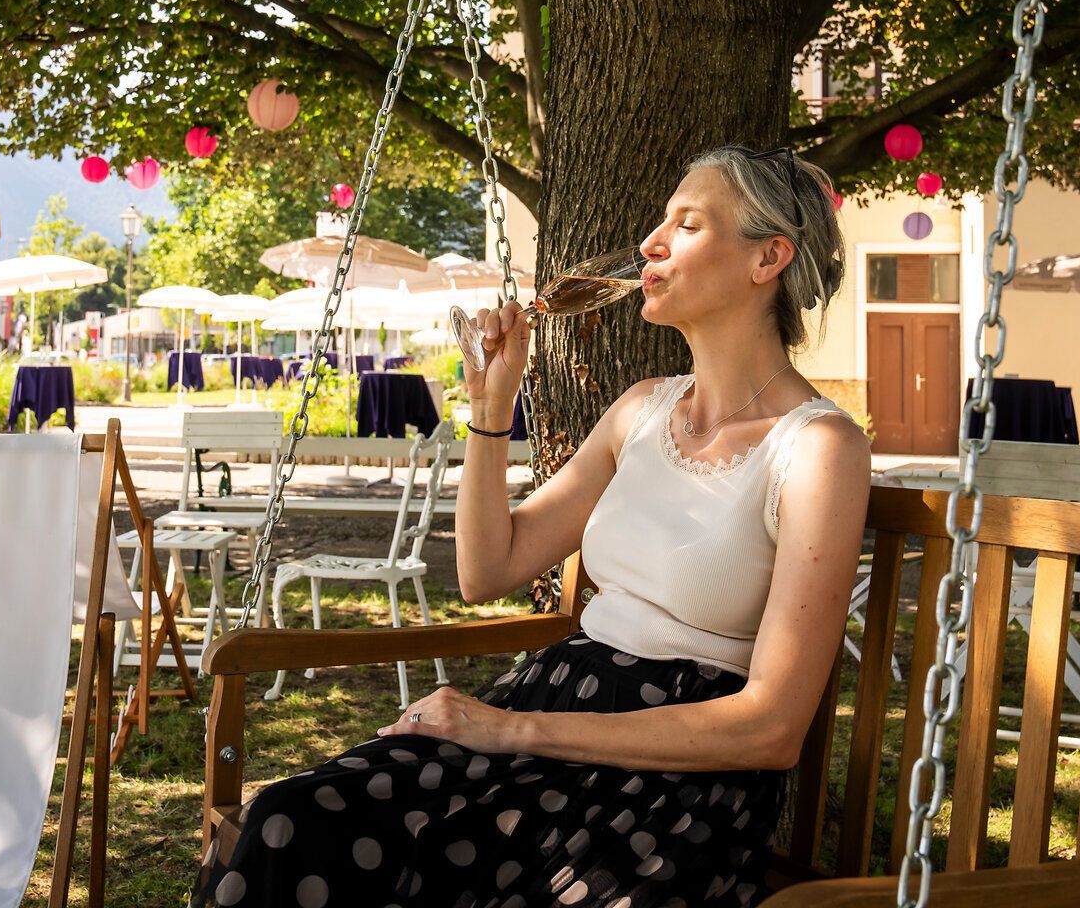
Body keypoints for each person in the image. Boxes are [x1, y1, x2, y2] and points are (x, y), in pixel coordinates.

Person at [191, 146, 872, 908]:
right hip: (557, 700)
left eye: (686, 224)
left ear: (768, 258)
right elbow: (490, 570)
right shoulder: (642, 410)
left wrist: (511, 731)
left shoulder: (817, 450)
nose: (651, 243)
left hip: (675, 780)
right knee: (291, 820)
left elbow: (772, 728)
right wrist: (492, 410)